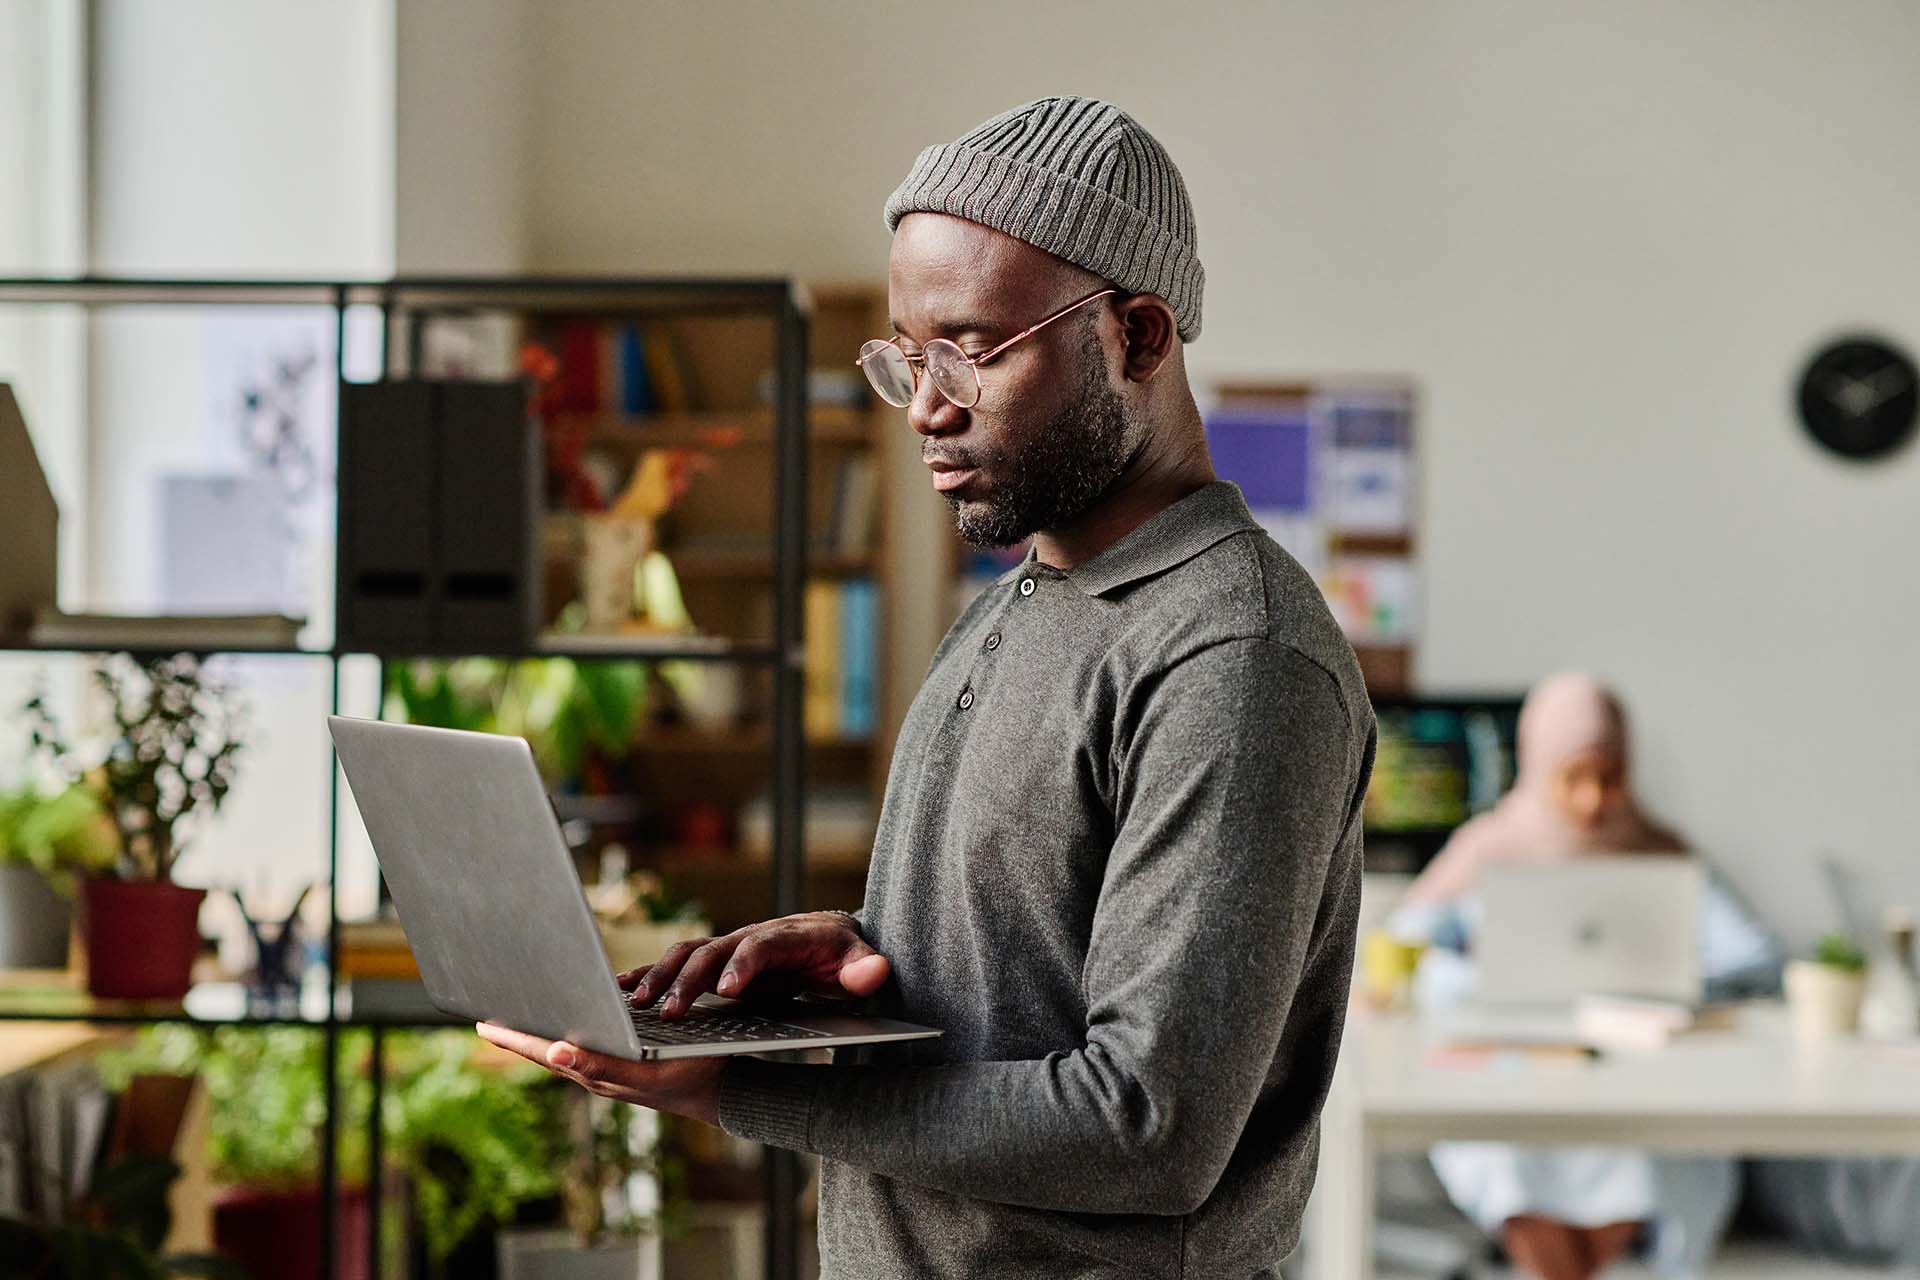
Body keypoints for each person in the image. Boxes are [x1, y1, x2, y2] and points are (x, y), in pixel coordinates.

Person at [476, 96, 1377, 1278]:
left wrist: (743, 1090)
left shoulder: (1237, 657)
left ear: (1140, 336)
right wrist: (862, 955)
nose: (929, 406)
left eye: (971, 350)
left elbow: (1147, 1129)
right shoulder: (1018, 598)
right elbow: (1040, 948)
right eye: (905, 356)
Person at [1388, 671, 1781, 1280]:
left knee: (1656, 1158)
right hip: (1511, 1073)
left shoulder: (1659, 849)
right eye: (1574, 777)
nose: (1594, 800)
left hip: (1638, 1077)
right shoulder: (1488, 847)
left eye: (1610, 776)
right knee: (1502, 1158)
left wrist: (1676, 975)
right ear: (1537, 765)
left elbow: (1756, 955)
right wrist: (1474, 971)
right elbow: (1405, 948)